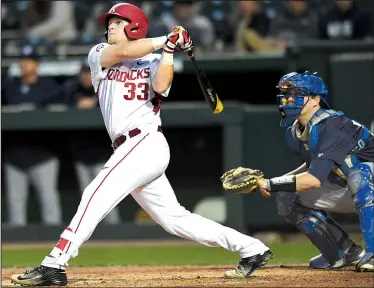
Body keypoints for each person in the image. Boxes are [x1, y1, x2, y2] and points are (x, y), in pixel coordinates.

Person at [11, 3, 272, 286]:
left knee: (94, 195)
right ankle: (251, 248)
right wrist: (166, 40)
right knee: (174, 219)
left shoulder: (153, 61)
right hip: (129, 148)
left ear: (133, 25)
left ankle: (55, 264)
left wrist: (169, 52)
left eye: (116, 21)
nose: (109, 25)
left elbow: (161, 87)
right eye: (109, 21)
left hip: (144, 142)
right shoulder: (98, 53)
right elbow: (123, 52)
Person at [255, 71, 373, 271]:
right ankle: (342, 252)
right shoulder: (296, 131)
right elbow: (313, 167)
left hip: (365, 182)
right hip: (356, 191)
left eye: (295, 93)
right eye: (285, 94)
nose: (288, 99)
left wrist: (269, 183)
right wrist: (277, 182)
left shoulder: (333, 126)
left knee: (359, 173)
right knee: (286, 194)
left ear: (316, 99)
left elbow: (314, 180)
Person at [2, 45, 64, 227]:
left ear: (36, 64)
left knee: (49, 202)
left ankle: (56, 247)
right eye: (22, 60)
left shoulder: (49, 87)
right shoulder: (9, 87)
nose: (25, 64)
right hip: (14, 155)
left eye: (29, 61)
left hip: (43, 154)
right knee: (15, 204)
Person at [65, 58, 122, 224]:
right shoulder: (72, 91)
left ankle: (114, 233)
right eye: (84, 73)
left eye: (89, 72)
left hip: (104, 156)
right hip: (81, 155)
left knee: (107, 197)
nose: (86, 76)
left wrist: (95, 103)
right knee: (88, 201)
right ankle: (93, 236)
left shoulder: (107, 89)